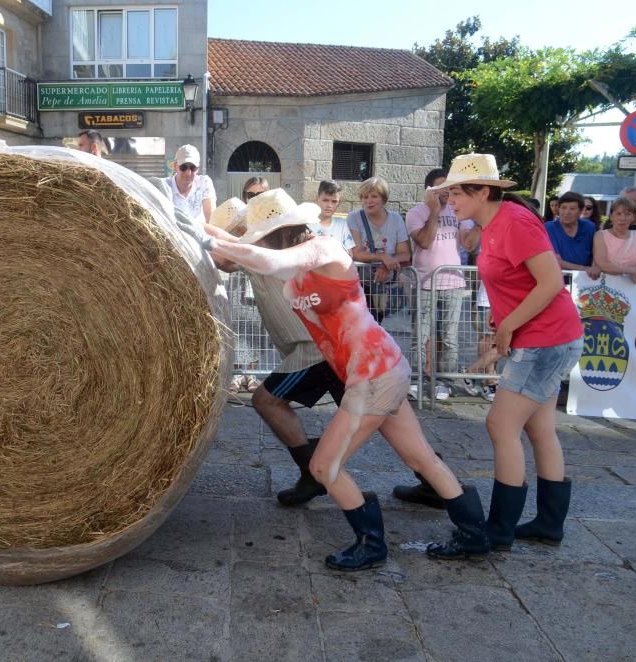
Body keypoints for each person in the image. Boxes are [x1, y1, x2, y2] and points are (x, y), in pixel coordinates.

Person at [203, 188, 490, 569]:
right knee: (419, 457)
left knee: (325, 467)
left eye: (263, 235)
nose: (259, 241)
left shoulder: (323, 250)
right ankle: (475, 535)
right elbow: (244, 252)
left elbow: (264, 258)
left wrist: (206, 237)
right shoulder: (297, 267)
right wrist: (194, 227)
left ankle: (372, 546)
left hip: (373, 374)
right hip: (379, 369)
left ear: (281, 232)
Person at [436, 153, 583, 552]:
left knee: (501, 426)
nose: (450, 202)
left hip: (546, 340)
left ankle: (498, 531)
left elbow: (551, 282)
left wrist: (508, 324)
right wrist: (503, 322)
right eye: (447, 194)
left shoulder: (514, 222)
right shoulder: (493, 225)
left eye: (455, 194)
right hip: (543, 338)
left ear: (483, 191)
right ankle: (549, 525)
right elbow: (518, 284)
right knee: (539, 429)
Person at [405, 168, 480, 400]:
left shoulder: (459, 213)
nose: (446, 193)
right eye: (441, 188)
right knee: (421, 334)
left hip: (453, 282)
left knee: (449, 336)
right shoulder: (416, 213)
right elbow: (425, 241)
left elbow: (468, 245)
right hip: (425, 282)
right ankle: (417, 379)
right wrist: (435, 212)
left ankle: (445, 381)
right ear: (429, 190)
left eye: (449, 188)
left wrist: (479, 221)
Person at [346, 177, 412, 323]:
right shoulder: (354, 217)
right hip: (361, 283)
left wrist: (387, 265)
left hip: (388, 284)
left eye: (374, 196)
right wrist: (383, 257)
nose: (369, 201)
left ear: (383, 199)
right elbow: (357, 253)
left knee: (382, 328)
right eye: (365, 197)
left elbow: (405, 253)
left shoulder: (395, 219)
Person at [229, 177, 271, 394]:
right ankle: (236, 376)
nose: (255, 198)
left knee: (257, 326)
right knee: (237, 323)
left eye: (259, 194)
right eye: (250, 194)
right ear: (245, 196)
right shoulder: (237, 216)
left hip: (260, 276)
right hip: (238, 274)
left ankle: (252, 374)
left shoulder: (272, 216)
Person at [593, 196, 636, 285]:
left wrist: (630, 271)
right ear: (611, 216)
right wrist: (630, 270)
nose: (623, 218)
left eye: (627, 214)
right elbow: (602, 264)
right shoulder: (600, 235)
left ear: (633, 217)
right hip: (603, 284)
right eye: (618, 214)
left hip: (630, 285)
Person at [545, 191, 599, 276]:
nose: (567, 212)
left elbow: (595, 255)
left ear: (581, 211)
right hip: (558, 278)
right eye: (563, 208)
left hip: (586, 280)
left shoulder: (589, 227)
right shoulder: (549, 228)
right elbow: (556, 261)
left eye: (572, 208)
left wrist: (593, 267)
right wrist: (585, 269)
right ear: (558, 209)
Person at [164, 145, 215, 225]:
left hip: (201, 234)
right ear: (175, 166)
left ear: (198, 168)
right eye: (183, 167)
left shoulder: (204, 182)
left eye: (193, 168)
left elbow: (211, 219)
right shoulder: (165, 186)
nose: (188, 173)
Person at [309, 180, 356, 252]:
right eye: (325, 200)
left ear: (339, 203)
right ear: (317, 199)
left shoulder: (342, 224)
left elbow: (350, 253)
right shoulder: (308, 225)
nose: (329, 205)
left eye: (334, 201)